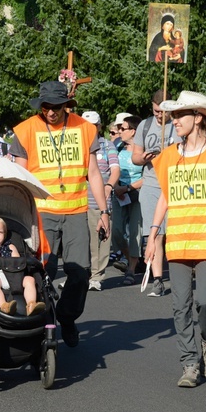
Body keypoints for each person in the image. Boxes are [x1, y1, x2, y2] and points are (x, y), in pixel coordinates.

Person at [144, 91, 206, 388]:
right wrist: (153, 235)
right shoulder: (168, 156)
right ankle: (189, 363)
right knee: (180, 306)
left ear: (198, 118)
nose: (174, 121)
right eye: (172, 116)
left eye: (179, 115)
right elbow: (164, 199)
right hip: (178, 243)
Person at [13, 81, 110, 348]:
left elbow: (93, 173)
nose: (51, 112)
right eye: (46, 107)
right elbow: (20, 178)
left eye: (56, 107)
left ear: (66, 105)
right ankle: (39, 323)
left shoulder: (85, 128)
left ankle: (67, 317)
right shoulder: (25, 130)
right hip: (41, 212)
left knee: (80, 273)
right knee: (42, 271)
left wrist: (104, 211)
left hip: (76, 210)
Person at [132, 89, 180, 297]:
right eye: (156, 111)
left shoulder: (179, 124)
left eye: (163, 112)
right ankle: (158, 279)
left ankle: (181, 277)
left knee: (175, 233)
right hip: (151, 184)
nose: (159, 115)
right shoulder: (145, 125)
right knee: (157, 233)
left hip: (175, 183)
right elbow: (135, 157)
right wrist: (143, 157)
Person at [0, 216, 45, 315]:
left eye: (1, 232)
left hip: (14, 276)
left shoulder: (9, 246)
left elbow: (17, 260)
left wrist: (14, 254)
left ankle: (31, 304)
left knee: (30, 280)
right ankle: (4, 305)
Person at [81, 110, 119, 291]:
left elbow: (115, 170)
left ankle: (97, 276)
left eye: (93, 126)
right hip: (80, 201)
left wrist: (109, 186)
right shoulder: (78, 145)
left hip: (100, 202)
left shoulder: (107, 146)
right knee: (83, 241)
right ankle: (83, 275)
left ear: (99, 127)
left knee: (100, 240)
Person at [112, 115, 144, 286]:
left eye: (123, 129)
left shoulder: (143, 150)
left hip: (136, 194)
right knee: (115, 231)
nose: (119, 132)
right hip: (118, 193)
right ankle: (131, 256)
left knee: (135, 232)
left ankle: (131, 269)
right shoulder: (117, 147)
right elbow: (112, 168)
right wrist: (116, 186)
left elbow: (149, 176)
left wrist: (129, 188)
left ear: (133, 131)